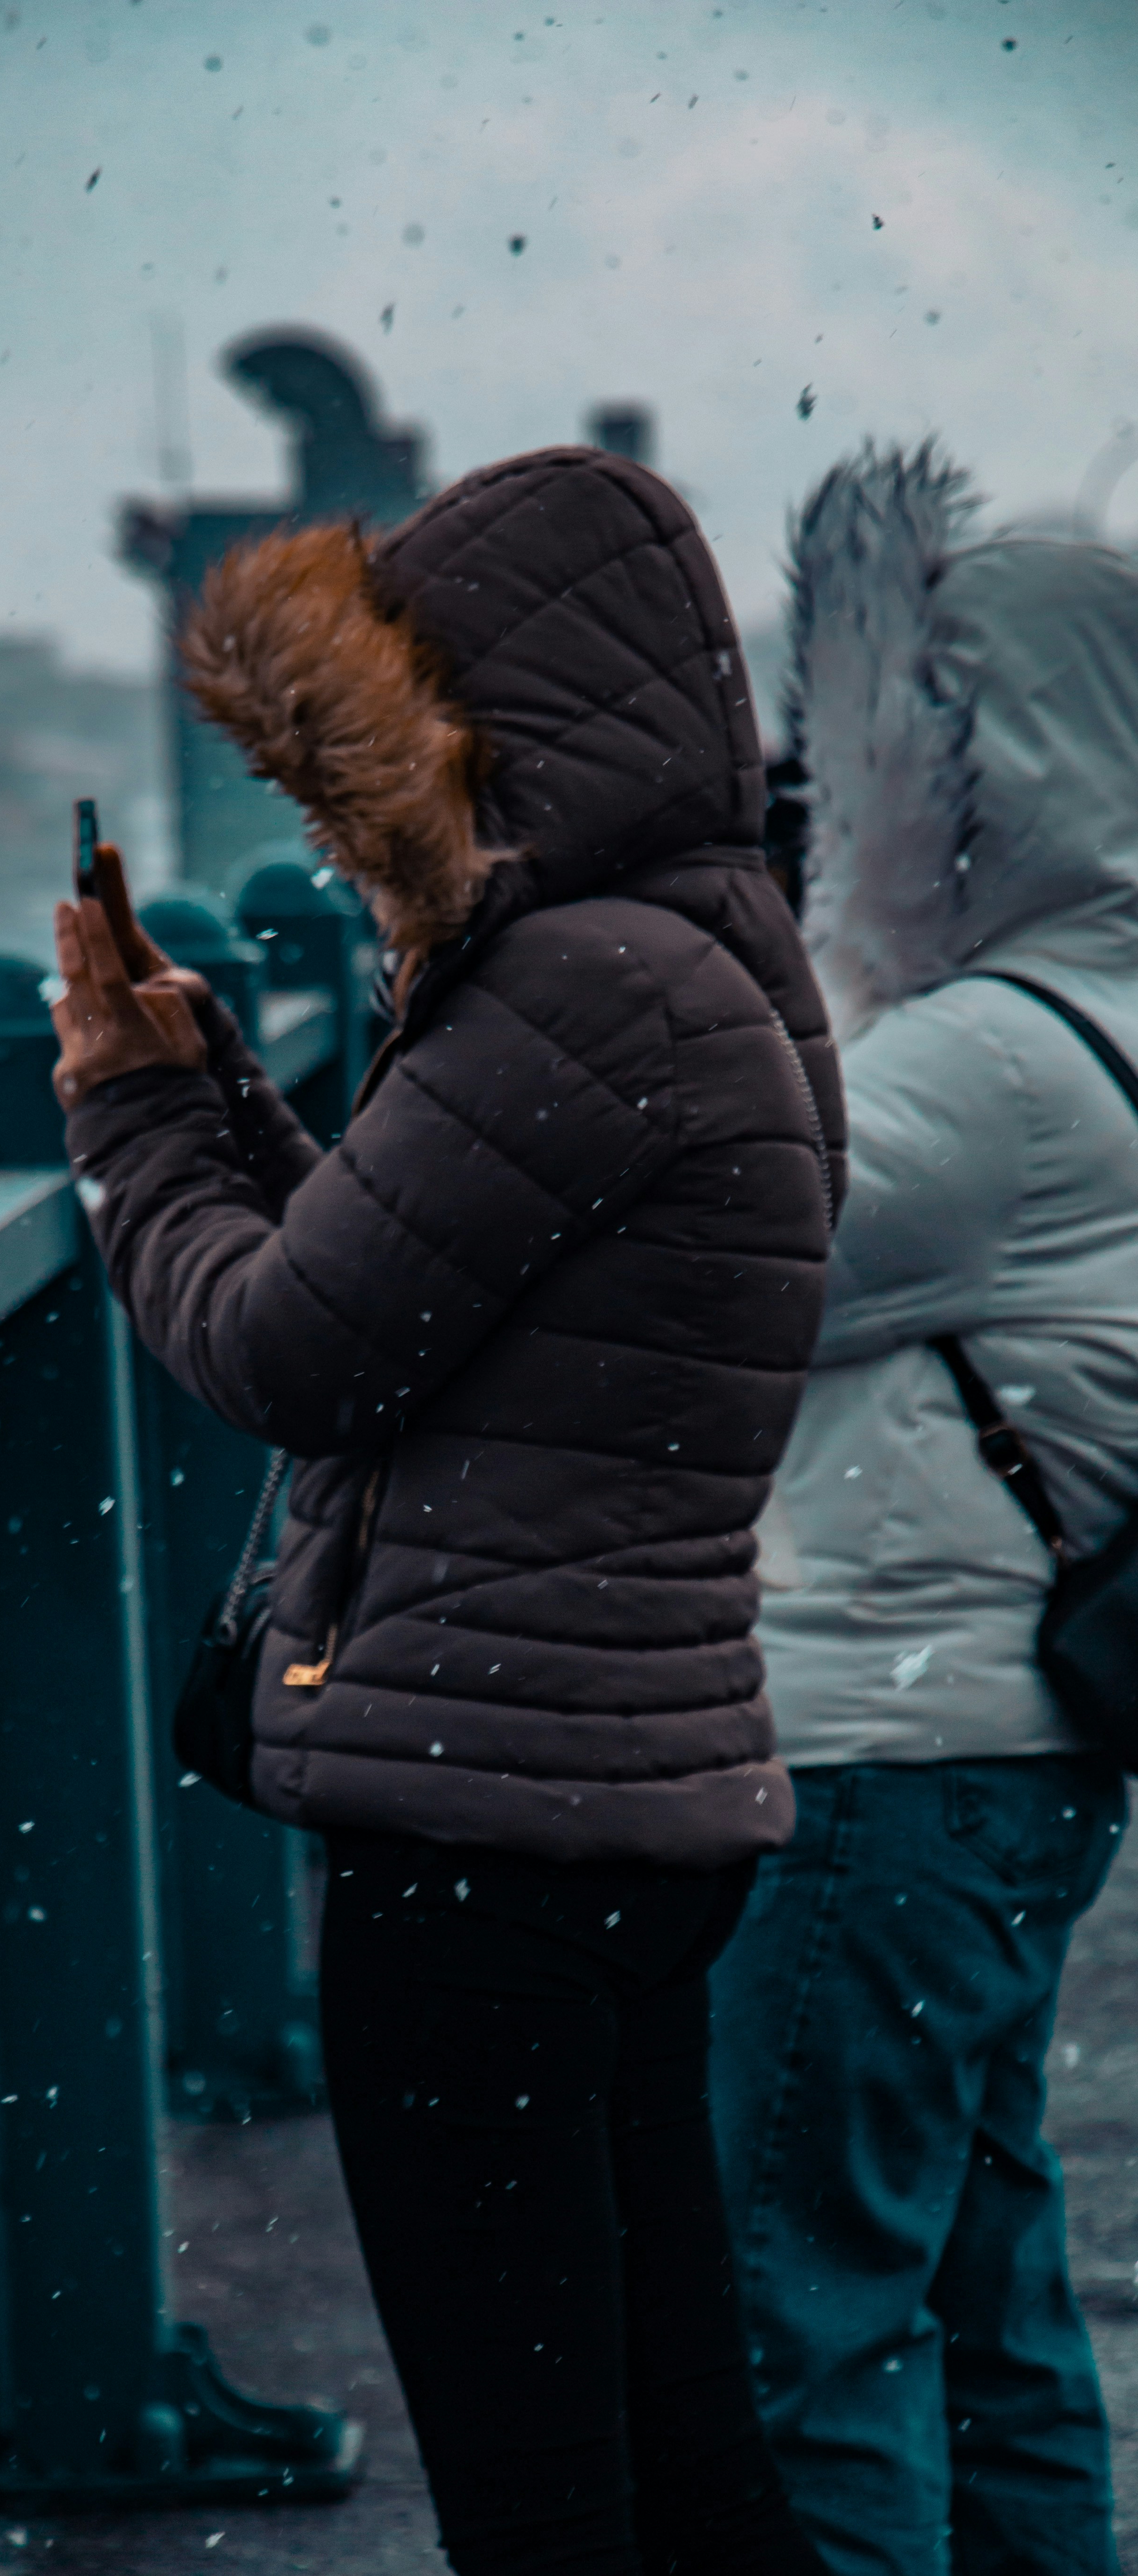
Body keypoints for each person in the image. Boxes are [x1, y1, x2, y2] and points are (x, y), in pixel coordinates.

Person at [49, 448, 841, 2575]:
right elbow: (440, 1308)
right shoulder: (702, 953)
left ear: (492, 713)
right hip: (613, 1807)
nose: (359, 817)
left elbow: (292, 1355)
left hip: (480, 1839)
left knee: (546, 2503)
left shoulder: (576, 985)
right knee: (679, 2461)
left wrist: (125, 1126)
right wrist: (225, 1097)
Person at [709, 441, 1138, 2576]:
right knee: (980, 2310)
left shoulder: (977, 1062)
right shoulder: (1103, 1016)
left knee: (805, 2333)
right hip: (1009, 1749)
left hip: (883, 1753)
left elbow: (695, 1269)